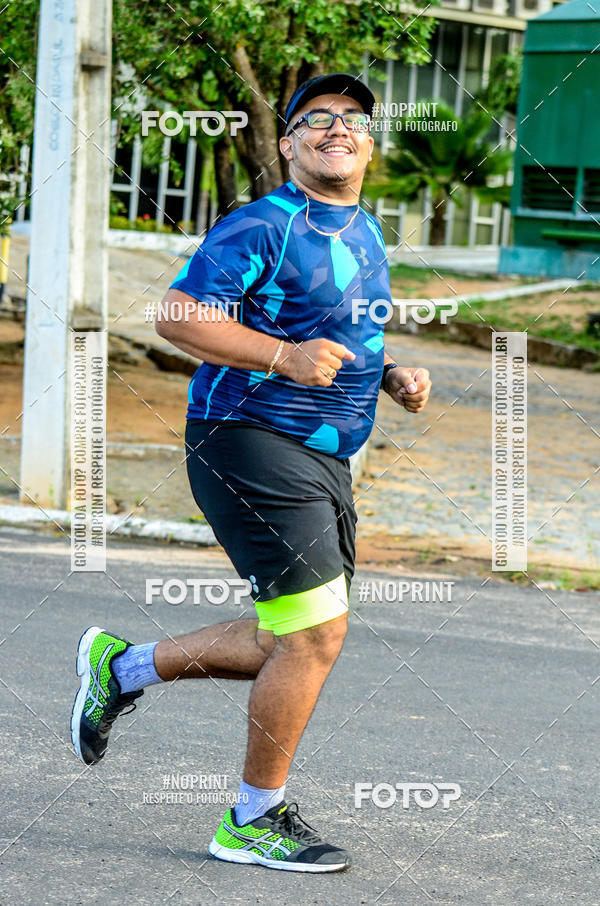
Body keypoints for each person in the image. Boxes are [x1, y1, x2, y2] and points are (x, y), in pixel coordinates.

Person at [71, 72, 431, 873]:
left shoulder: (366, 232)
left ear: (370, 144)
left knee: (286, 631)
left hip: (323, 456)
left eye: (353, 119)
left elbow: (334, 329)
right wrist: (282, 358)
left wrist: (389, 374)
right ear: (289, 144)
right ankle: (251, 819)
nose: (337, 128)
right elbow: (177, 315)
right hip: (249, 438)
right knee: (314, 634)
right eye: (316, 118)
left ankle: (121, 668)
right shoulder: (264, 224)